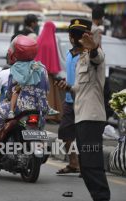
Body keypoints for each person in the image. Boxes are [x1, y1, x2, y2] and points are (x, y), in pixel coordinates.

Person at [56, 19, 111, 201]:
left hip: (92, 119)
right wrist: (68, 87)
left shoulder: (95, 55)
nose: (78, 38)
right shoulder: (80, 60)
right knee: (86, 166)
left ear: (88, 36)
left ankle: (102, 197)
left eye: (82, 35)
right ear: (71, 38)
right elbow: (80, 89)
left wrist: (93, 48)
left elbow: (98, 57)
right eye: (75, 35)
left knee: (91, 163)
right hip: (82, 118)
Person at [0, 35, 50, 154]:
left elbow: (10, 91)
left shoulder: (16, 69)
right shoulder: (42, 68)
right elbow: (47, 88)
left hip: (20, 108)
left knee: (1, 109)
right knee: (40, 120)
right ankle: (41, 143)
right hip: (40, 106)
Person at [56, 27, 81, 175]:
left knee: (83, 135)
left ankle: (85, 167)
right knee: (65, 132)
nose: (70, 39)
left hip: (82, 100)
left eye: (71, 36)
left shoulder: (86, 56)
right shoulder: (69, 53)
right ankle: (73, 163)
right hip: (69, 99)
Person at [35, 21, 63, 123]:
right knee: (50, 94)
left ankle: (39, 113)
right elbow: (53, 60)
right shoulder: (51, 42)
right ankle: (50, 116)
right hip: (49, 76)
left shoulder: (39, 40)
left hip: (38, 75)